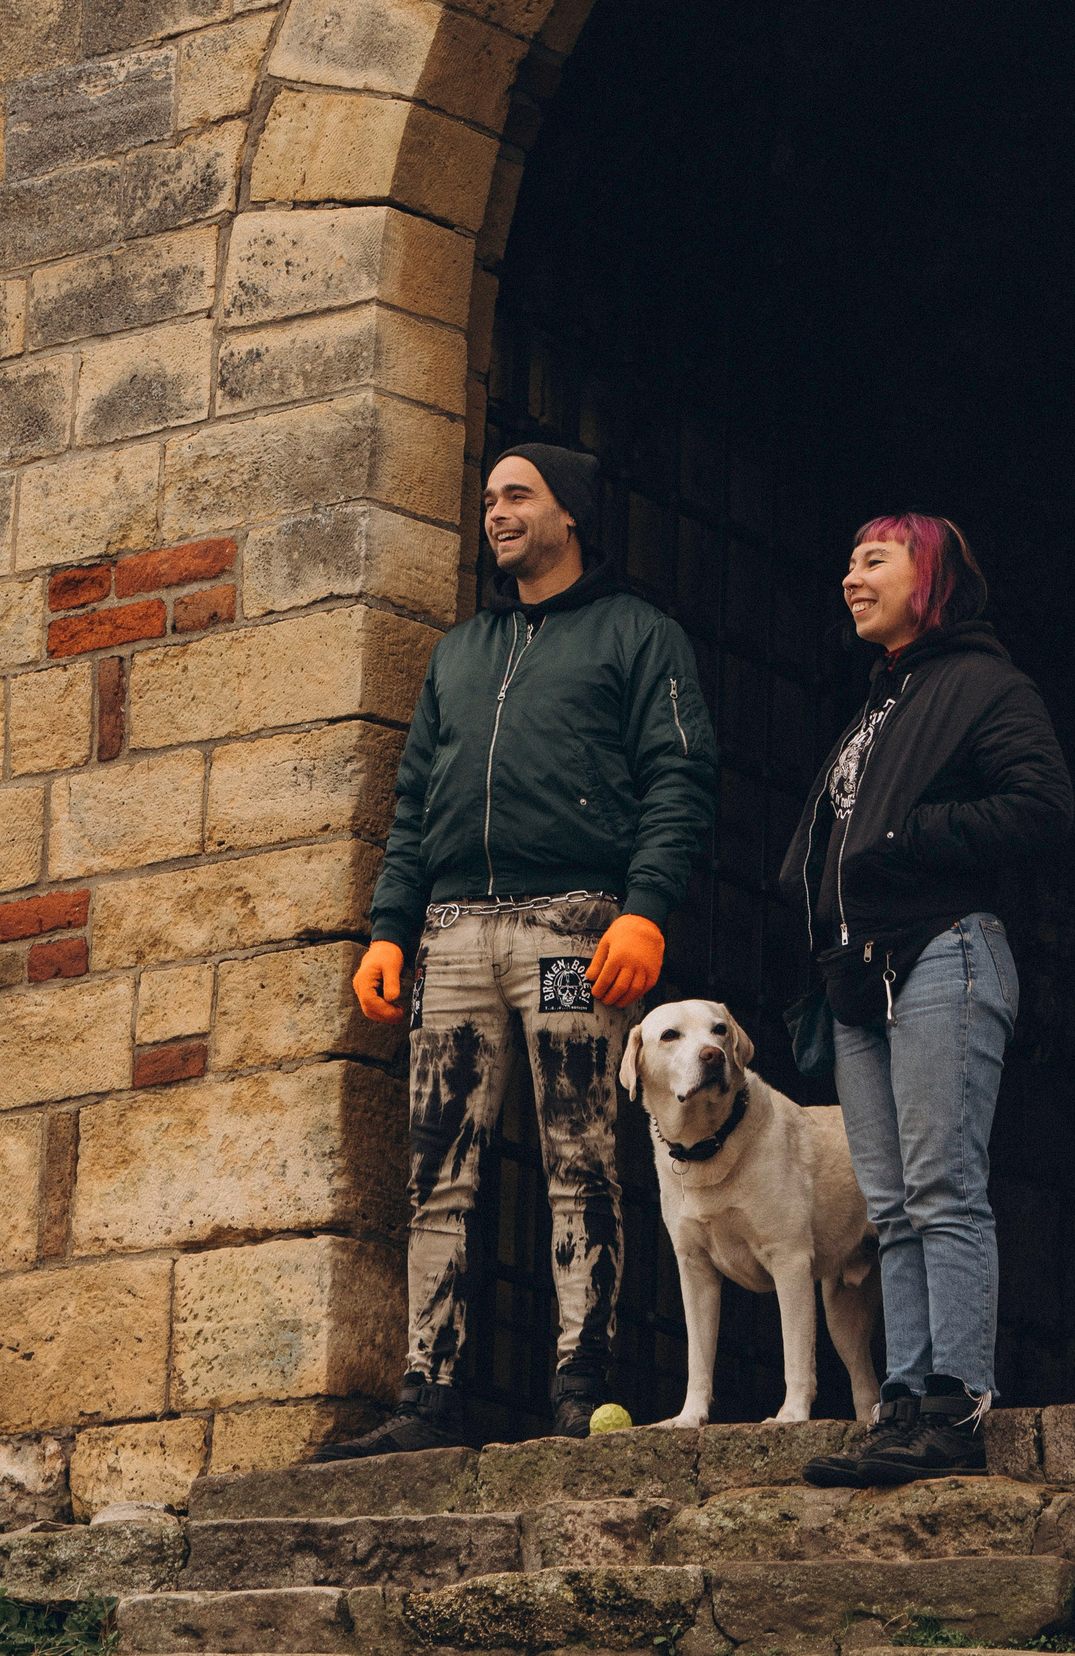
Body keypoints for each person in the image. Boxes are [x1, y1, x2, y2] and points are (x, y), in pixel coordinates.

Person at [315, 443, 717, 1461]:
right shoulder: (459, 653)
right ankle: (427, 1393)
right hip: (449, 937)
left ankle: (580, 1386)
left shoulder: (639, 635)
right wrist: (389, 926)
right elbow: (411, 802)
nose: (495, 512)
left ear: (569, 513)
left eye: (517, 495)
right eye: (489, 495)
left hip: (571, 931)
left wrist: (645, 909)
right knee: (434, 1170)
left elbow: (678, 778)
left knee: (579, 1156)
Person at [789, 514, 1073, 1487]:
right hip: (858, 978)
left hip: (944, 954)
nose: (849, 576)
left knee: (941, 1186)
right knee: (890, 1204)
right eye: (848, 558)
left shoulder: (985, 684)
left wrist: (911, 836)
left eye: (873, 559)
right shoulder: (877, 705)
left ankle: (955, 1402)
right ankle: (901, 1405)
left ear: (931, 578)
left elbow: (1042, 804)